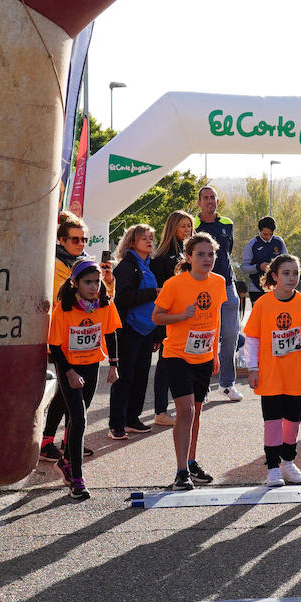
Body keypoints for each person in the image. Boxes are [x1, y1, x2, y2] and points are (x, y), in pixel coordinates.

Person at [152, 232, 226, 491]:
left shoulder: (218, 282)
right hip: (177, 354)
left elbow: (215, 318)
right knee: (186, 411)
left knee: (196, 414)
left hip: (204, 356)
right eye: (201, 254)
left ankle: (192, 462)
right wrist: (182, 316)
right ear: (188, 257)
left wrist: (215, 353)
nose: (207, 259)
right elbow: (157, 317)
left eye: (211, 254)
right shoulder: (175, 284)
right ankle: (181, 471)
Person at [46, 261, 120, 500]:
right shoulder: (64, 309)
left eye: (97, 282)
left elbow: (110, 333)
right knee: (79, 418)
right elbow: (55, 346)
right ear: (75, 283)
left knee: (80, 414)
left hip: (91, 366)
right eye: (88, 282)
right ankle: (77, 479)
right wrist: (69, 373)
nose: (94, 286)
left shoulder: (105, 304)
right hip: (69, 366)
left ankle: (66, 461)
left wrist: (114, 365)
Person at [244, 254, 301, 486]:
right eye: (286, 273)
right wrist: (252, 367)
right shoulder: (263, 304)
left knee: (293, 420)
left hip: (295, 374)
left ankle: (288, 461)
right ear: (274, 276)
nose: (292, 278)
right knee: (273, 421)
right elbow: (253, 338)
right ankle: (273, 468)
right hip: (270, 374)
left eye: (295, 273)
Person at [40, 211, 108, 461]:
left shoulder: (87, 264)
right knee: (64, 392)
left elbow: (102, 299)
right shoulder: (52, 263)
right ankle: (48, 442)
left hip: (84, 338)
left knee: (70, 395)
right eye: (75, 239)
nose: (80, 244)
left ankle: (70, 441)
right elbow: (57, 298)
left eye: (84, 239)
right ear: (61, 240)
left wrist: (107, 282)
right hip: (59, 336)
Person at [108, 223, 159, 441]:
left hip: (147, 331)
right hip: (129, 330)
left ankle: (132, 418)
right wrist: (153, 293)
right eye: (144, 238)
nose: (149, 241)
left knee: (140, 377)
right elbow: (123, 298)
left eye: (151, 238)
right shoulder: (126, 267)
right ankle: (116, 424)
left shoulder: (148, 264)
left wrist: (157, 333)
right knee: (125, 378)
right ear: (132, 242)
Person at [195, 185, 242, 402]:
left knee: (231, 335)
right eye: (205, 198)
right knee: (205, 335)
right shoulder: (193, 224)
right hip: (203, 287)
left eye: (212, 197)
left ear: (217, 201)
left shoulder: (227, 223)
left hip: (227, 284)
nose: (209, 201)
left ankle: (226, 384)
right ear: (199, 203)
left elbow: (227, 252)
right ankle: (201, 387)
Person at [150, 209, 193, 428]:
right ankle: (160, 410)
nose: (187, 229)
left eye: (189, 226)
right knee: (165, 366)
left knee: (181, 364)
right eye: (183, 225)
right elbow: (159, 295)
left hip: (187, 319)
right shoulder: (161, 258)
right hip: (169, 319)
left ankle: (178, 407)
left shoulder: (189, 255)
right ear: (173, 227)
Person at [240, 216, 286, 306]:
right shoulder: (251, 244)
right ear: (259, 231)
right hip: (256, 289)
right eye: (265, 234)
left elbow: (287, 262)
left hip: (276, 288)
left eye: (271, 234)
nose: (268, 237)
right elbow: (244, 268)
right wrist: (259, 267)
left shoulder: (279, 242)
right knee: (260, 318)